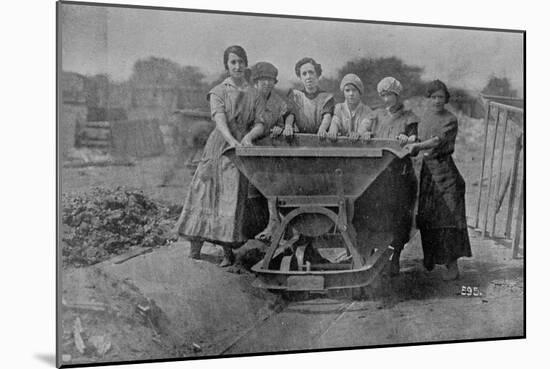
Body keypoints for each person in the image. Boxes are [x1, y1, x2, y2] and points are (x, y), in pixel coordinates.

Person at [174, 45, 266, 267]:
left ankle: (227, 252)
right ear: (227, 65)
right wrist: (232, 139)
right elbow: (219, 119)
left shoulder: (255, 94)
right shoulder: (218, 91)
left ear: (246, 64)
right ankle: (194, 246)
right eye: (233, 62)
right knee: (203, 192)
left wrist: (248, 137)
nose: (237, 66)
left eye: (240, 62)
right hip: (218, 146)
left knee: (230, 198)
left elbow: (261, 122)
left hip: (238, 151)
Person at [404, 79, 472, 280]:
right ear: (429, 98)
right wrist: (409, 140)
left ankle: (452, 266)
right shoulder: (424, 118)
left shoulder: (450, 119)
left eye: (440, 97)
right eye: (433, 97)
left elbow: (437, 141)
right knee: (428, 217)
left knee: (449, 218)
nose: (437, 101)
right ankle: (431, 259)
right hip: (427, 173)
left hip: (445, 174)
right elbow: (416, 137)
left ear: (446, 99)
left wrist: (418, 147)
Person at [368, 76, 418, 275]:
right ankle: (372, 257)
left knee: (399, 218)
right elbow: (367, 131)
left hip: (400, 176)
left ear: (397, 95)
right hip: (377, 177)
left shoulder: (408, 116)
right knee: (376, 216)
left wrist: (408, 138)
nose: (386, 98)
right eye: (383, 95)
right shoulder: (377, 115)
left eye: (389, 94)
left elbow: (415, 138)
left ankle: (395, 257)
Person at [246, 61, 292, 242]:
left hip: (270, 148)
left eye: (270, 80)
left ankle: (276, 224)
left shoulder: (278, 101)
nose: (267, 84)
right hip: (251, 148)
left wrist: (281, 127)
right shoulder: (248, 99)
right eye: (263, 80)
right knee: (252, 192)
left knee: (274, 184)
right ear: (255, 82)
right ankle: (256, 230)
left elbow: (283, 118)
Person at [275, 57, 335, 138]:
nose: (308, 77)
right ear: (300, 78)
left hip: (321, 136)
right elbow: (291, 113)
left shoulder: (327, 97)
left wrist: (322, 128)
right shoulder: (295, 95)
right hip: (303, 136)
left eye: (311, 72)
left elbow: (327, 116)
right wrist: (288, 126)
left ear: (317, 75)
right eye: (304, 74)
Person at [327, 73, 373, 140]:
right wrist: (333, 130)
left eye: (354, 90)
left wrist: (358, 133)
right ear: (343, 92)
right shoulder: (339, 108)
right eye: (347, 90)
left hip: (360, 147)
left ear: (359, 92)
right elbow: (335, 121)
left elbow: (365, 125)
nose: (351, 94)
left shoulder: (367, 110)